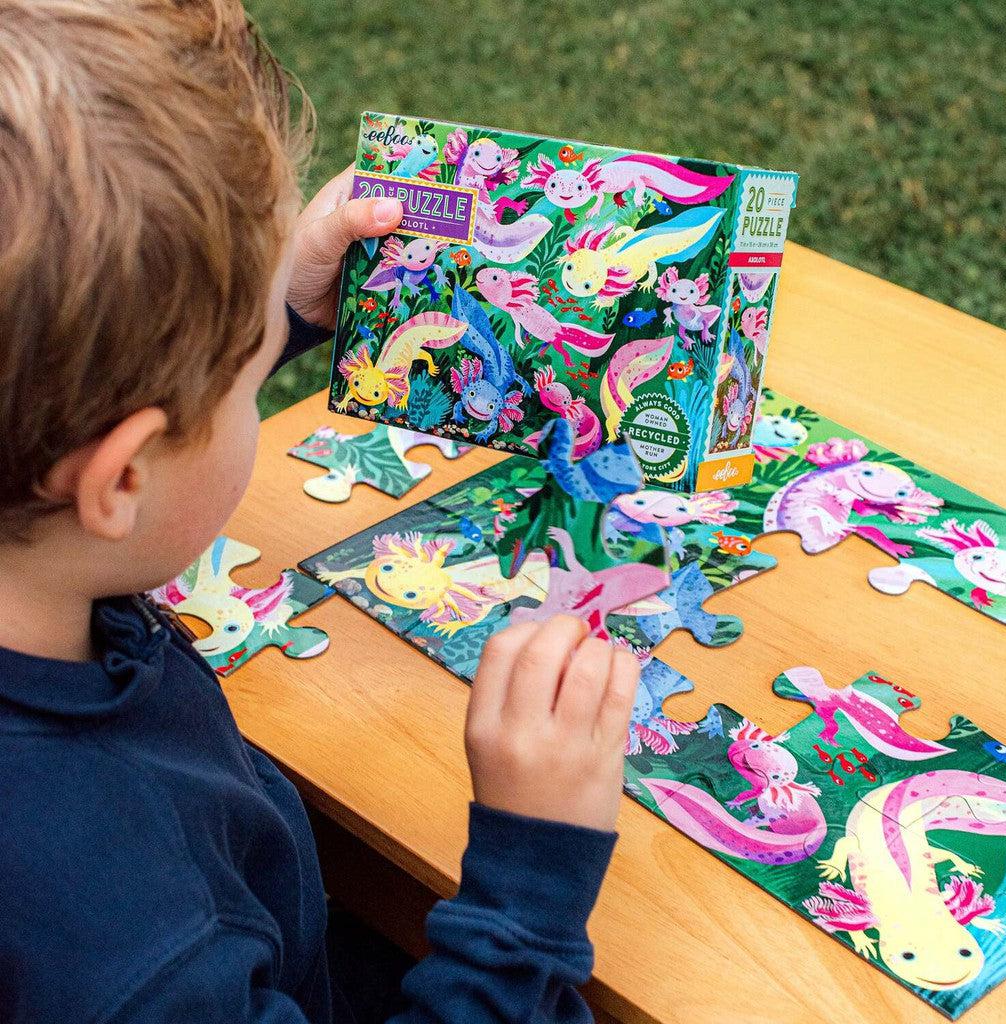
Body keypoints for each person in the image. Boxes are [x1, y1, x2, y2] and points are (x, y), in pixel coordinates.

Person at [0, 2, 642, 1022]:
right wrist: (526, 883)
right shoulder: (142, 950)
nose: (264, 374)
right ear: (118, 480)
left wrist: (282, 313)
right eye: (251, 377)